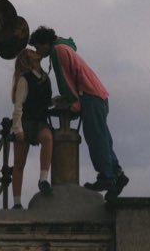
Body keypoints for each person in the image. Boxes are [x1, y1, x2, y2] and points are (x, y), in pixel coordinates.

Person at [29, 26, 128, 196]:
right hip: (98, 95)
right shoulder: (65, 47)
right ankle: (116, 174)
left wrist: (72, 103)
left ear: (45, 43)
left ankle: (106, 176)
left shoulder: (58, 51)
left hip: (89, 96)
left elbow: (65, 80)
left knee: (95, 137)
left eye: (37, 47)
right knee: (103, 136)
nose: (37, 51)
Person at [11, 48, 53, 209]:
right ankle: (16, 202)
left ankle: (43, 179)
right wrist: (18, 129)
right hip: (26, 121)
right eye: (31, 52)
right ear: (28, 59)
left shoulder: (45, 78)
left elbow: (46, 101)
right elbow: (18, 105)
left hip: (40, 120)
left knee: (48, 139)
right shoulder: (25, 79)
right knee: (19, 163)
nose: (36, 52)